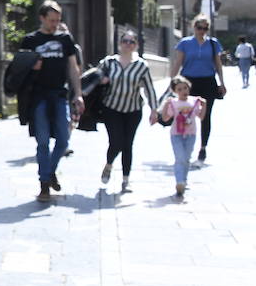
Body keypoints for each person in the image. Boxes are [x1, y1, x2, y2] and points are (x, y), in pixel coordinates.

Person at [17, 1, 84, 201]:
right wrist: (32, 67)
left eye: (58, 20)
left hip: (59, 95)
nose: (55, 24)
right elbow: (19, 69)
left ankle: (50, 171)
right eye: (52, 20)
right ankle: (44, 184)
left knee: (63, 140)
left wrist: (78, 93)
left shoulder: (65, 39)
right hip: (38, 97)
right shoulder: (30, 40)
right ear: (42, 18)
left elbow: (73, 68)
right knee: (43, 141)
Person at [97, 30, 158, 193]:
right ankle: (109, 164)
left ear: (136, 45)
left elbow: (149, 88)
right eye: (125, 41)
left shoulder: (141, 65)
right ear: (119, 43)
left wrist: (154, 109)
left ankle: (126, 179)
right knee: (116, 141)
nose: (128, 44)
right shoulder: (109, 62)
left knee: (127, 144)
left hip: (133, 110)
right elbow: (95, 77)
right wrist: (102, 79)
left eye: (132, 42)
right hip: (112, 108)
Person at [169, 16, 227, 162]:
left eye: (205, 28)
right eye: (199, 28)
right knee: (186, 114)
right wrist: (172, 81)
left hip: (208, 82)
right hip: (189, 82)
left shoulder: (213, 43)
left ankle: (203, 147)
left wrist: (222, 82)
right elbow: (178, 62)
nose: (202, 31)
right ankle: (185, 145)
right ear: (193, 27)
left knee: (206, 116)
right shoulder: (185, 43)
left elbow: (218, 64)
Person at [152, 76, 206, 197]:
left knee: (186, 158)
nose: (183, 91)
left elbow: (201, 117)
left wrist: (204, 105)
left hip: (191, 134)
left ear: (189, 88)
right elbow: (166, 118)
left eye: (185, 88)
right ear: (176, 91)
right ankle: (179, 182)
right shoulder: (174, 103)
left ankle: (184, 181)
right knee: (179, 158)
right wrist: (166, 105)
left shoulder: (193, 101)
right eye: (180, 89)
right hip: (176, 134)